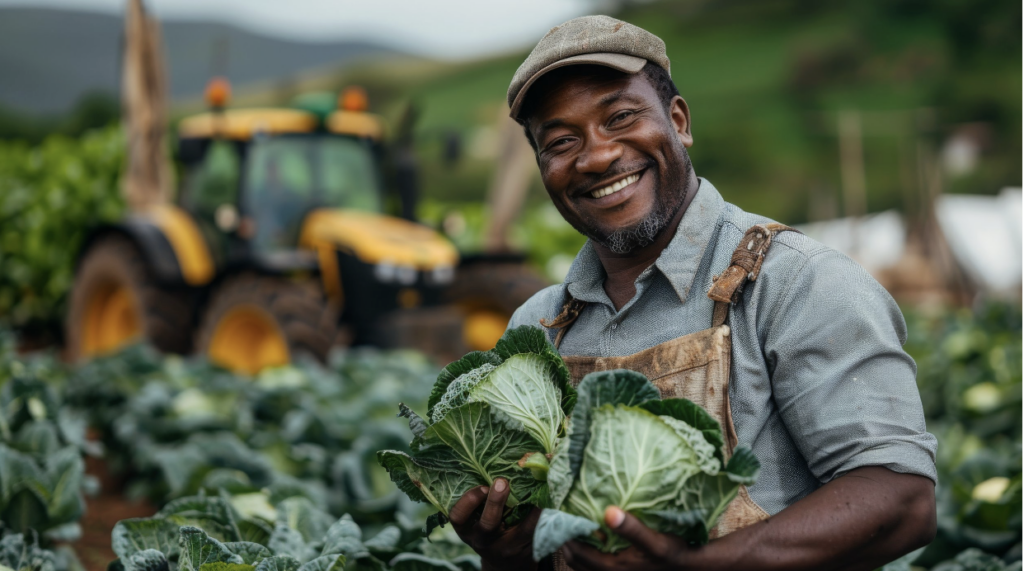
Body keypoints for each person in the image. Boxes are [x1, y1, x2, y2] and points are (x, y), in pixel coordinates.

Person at [446, 15, 938, 571]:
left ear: (678, 121)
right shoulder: (537, 328)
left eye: (621, 117)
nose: (597, 156)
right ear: (543, 168)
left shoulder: (796, 281)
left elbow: (902, 500)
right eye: (561, 142)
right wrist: (505, 553)